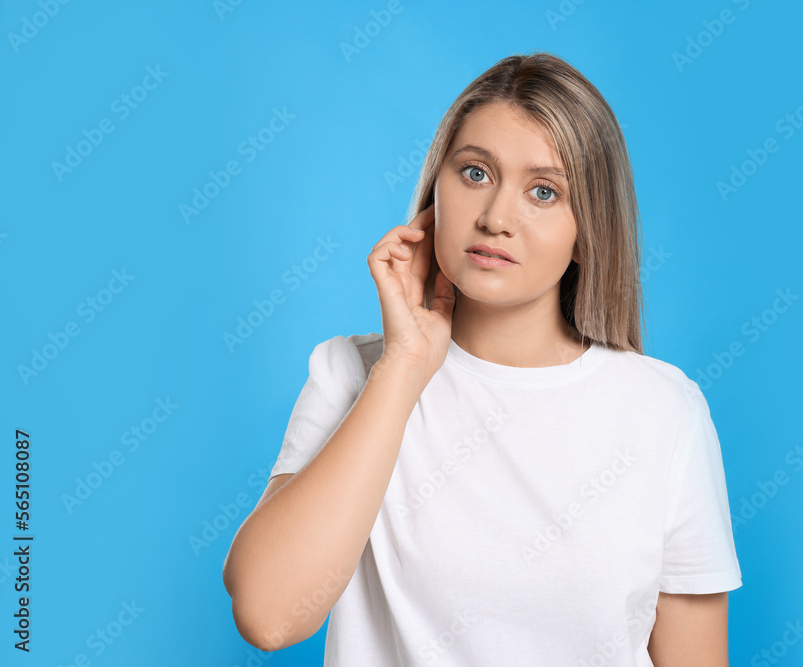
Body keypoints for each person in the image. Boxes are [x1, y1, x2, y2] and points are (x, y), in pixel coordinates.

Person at [223, 51, 741, 666]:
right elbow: (270, 615)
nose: (496, 218)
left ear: (589, 228)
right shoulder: (350, 374)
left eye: (543, 192)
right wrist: (404, 368)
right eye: (475, 174)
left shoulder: (663, 410)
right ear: (434, 192)